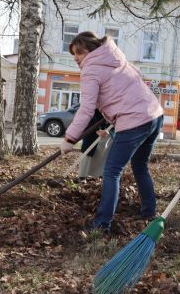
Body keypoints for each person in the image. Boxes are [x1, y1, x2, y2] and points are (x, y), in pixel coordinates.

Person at [59, 32, 164, 233]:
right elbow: (131, 84)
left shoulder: (91, 69)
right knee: (140, 166)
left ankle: (102, 224)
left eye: (77, 55)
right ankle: (149, 211)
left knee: (111, 171)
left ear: (86, 51)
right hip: (154, 114)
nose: (75, 60)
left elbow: (86, 108)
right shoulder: (116, 57)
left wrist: (69, 138)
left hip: (134, 120)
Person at [78, 110, 113, 179]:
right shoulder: (91, 105)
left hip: (107, 129)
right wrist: (96, 130)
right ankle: (82, 176)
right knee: (87, 152)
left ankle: (100, 174)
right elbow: (86, 115)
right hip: (91, 129)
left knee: (103, 152)